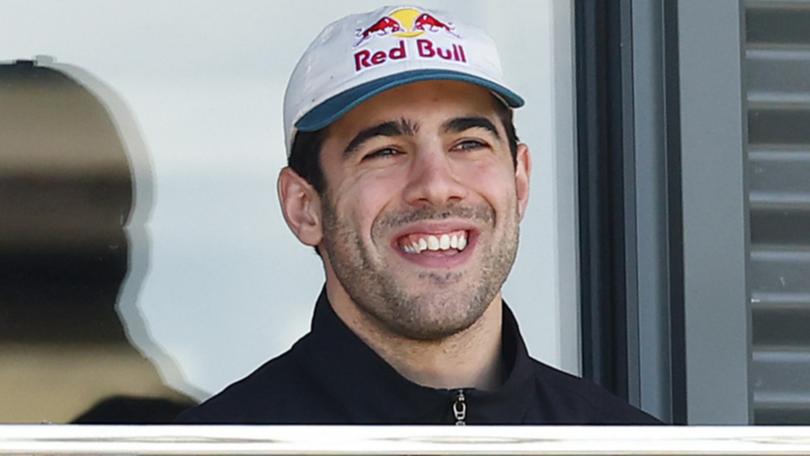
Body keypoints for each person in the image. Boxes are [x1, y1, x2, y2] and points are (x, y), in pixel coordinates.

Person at [177, 5, 659, 424]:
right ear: (305, 208)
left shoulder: (629, 445)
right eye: (384, 151)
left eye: (468, 144)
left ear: (519, 180)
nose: (435, 185)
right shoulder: (212, 446)